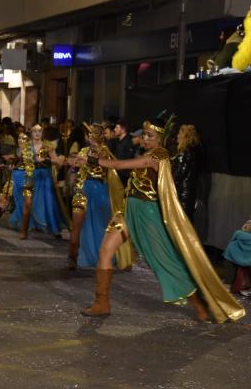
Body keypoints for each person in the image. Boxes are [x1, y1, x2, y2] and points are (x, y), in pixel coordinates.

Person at [78, 118, 245, 323]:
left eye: (151, 136)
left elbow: (120, 165)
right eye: (145, 135)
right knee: (105, 251)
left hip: (147, 214)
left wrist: (92, 160)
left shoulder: (159, 155)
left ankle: (199, 303)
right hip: (128, 211)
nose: (146, 138)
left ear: (161, 138)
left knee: (165, 262)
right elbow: (118, 165)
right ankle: (101, 302)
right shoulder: (146, 153)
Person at [68, 123, 132, 270]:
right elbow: (74, 168)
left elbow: (110, 166)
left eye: (90, 135)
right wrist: (73, 169)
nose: (88, 137)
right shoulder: (83, 150)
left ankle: (100, 255)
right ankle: (73, 255)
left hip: (99, 191)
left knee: (100, 224)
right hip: (83, 190)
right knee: (79, 225)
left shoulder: (104, 151)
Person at [26, 123, 69, 239]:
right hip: (32, 175)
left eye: (39, 131)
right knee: (32, 200)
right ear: (31, 133)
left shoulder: (47, 145)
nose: (37, 133)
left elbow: (57, 162)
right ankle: (35, 224)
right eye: (35, 131)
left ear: (42, 133)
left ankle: (52, 227)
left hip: (45, 175)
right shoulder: (27, 145)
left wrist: (47, 160)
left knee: (47, 200)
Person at [172, 124, 201, 221]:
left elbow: (179, 174)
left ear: (185, 137)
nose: (177, 135)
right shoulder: (194, 152)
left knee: (182, 222)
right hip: (189, 194)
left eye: (179, 133)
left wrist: (169, 185)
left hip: (182, 194)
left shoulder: (185, 153)